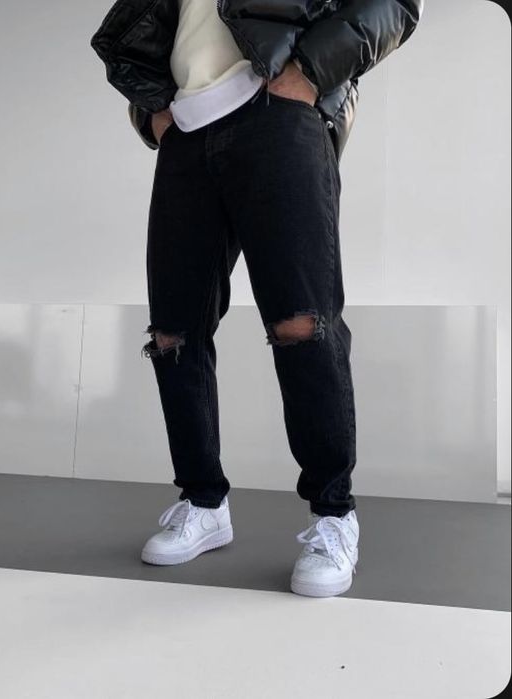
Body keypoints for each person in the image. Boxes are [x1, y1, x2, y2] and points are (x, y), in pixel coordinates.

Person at [91, 0, 423, 597]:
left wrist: (309, 74)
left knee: (301, 324)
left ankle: (333, 515)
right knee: (172, 335)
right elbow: (147, 33)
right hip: (186, 132)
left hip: (278, 112)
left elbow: (394, 4)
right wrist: (153, 113)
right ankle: (203, 502)